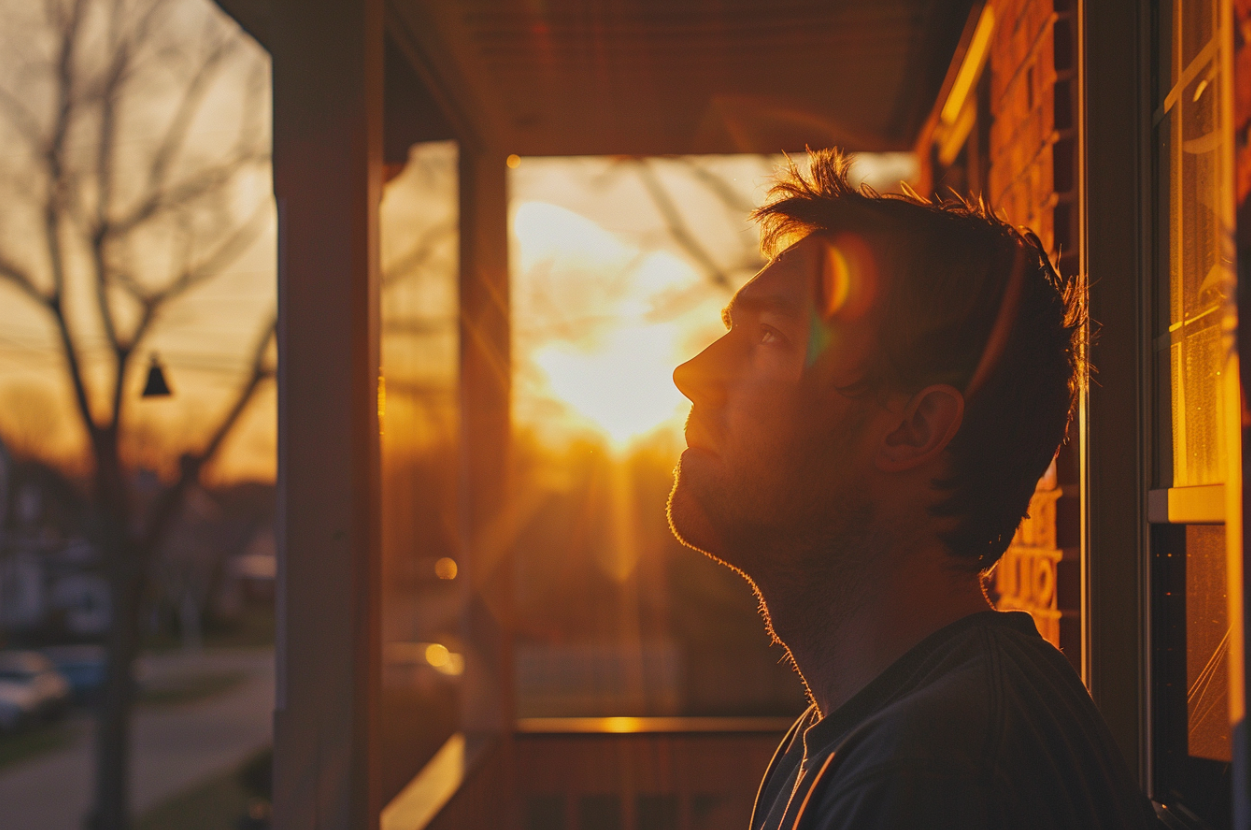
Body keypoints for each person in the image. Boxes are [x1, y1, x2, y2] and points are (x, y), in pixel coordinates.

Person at [666, 149, 1158, 829]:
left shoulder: (925, 774)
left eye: (772, 337)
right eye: (733, 330)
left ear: (911, 429)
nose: (690, 374)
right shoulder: (861, 736)